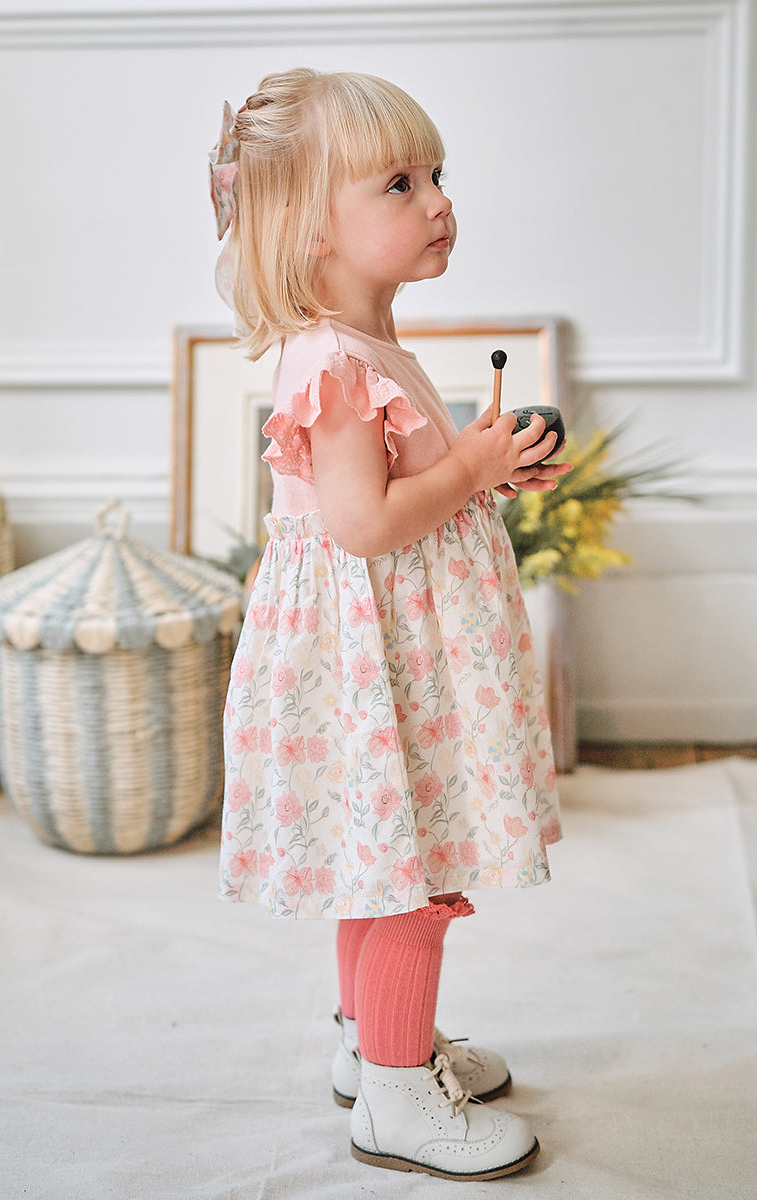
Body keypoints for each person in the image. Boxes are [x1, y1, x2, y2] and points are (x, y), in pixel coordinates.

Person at [210, 68, 571, 1182]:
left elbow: (404, 491)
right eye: (401, 184)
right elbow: (364, 526)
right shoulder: (329, 363)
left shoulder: (364, 346)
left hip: (396, 652)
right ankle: (399, 1100)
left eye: (438, 175)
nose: (439, 202)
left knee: (383, 861)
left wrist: (484, 467)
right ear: (308, 228)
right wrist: (465, 467)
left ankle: (375, 1045)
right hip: (375, 669)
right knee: (414, 871)